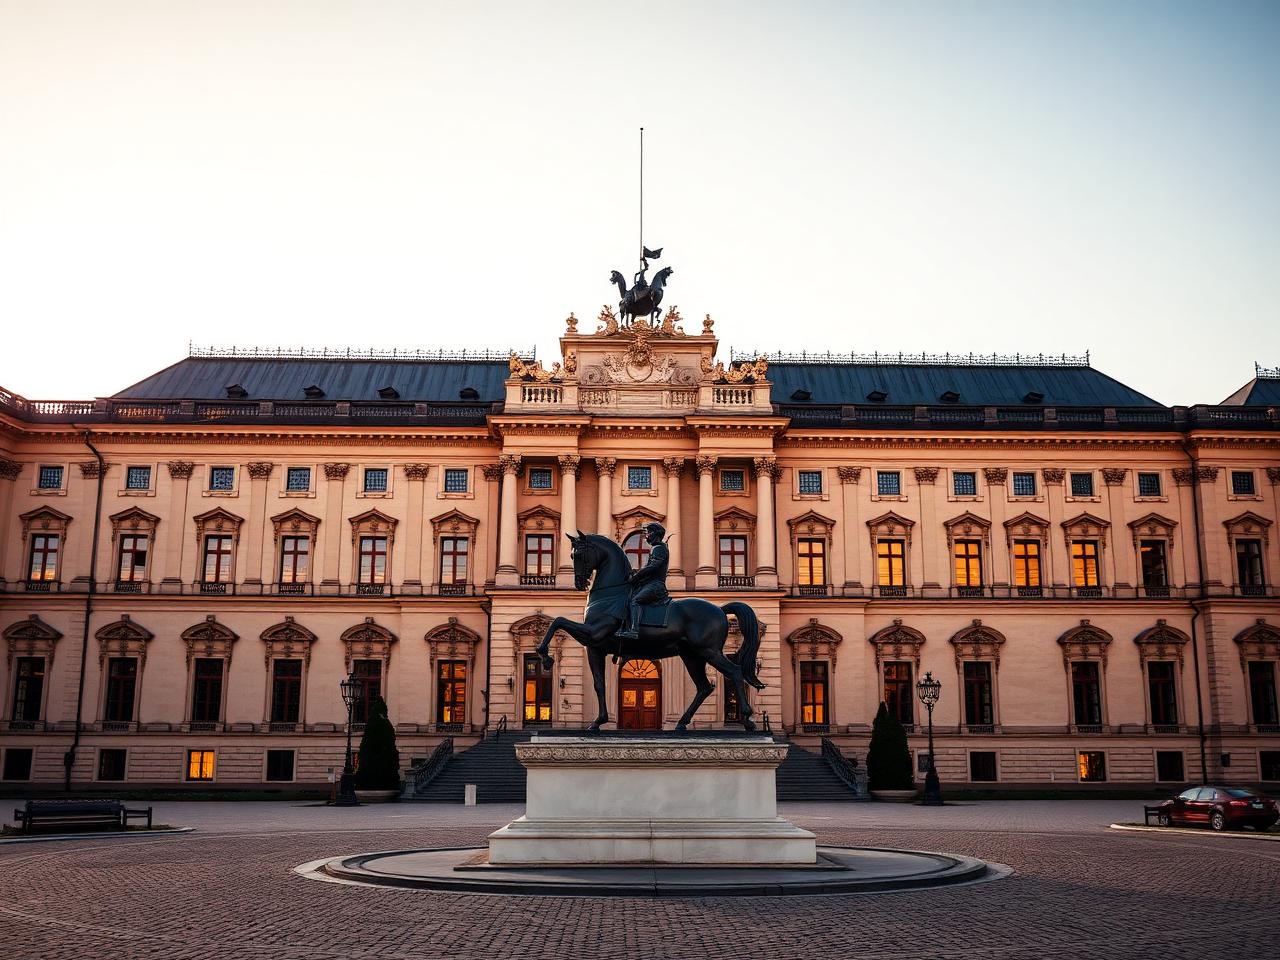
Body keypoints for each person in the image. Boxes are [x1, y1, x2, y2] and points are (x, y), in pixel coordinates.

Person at [615, 522, 669, 641]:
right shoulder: (657, 548)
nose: (646, 536)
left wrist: (636, 576)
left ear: (655, 534)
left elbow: (653, 567)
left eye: (648, 533)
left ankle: (634, 631)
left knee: (635, 601)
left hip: (656, 585)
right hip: (651, 584)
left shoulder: (659, 548)